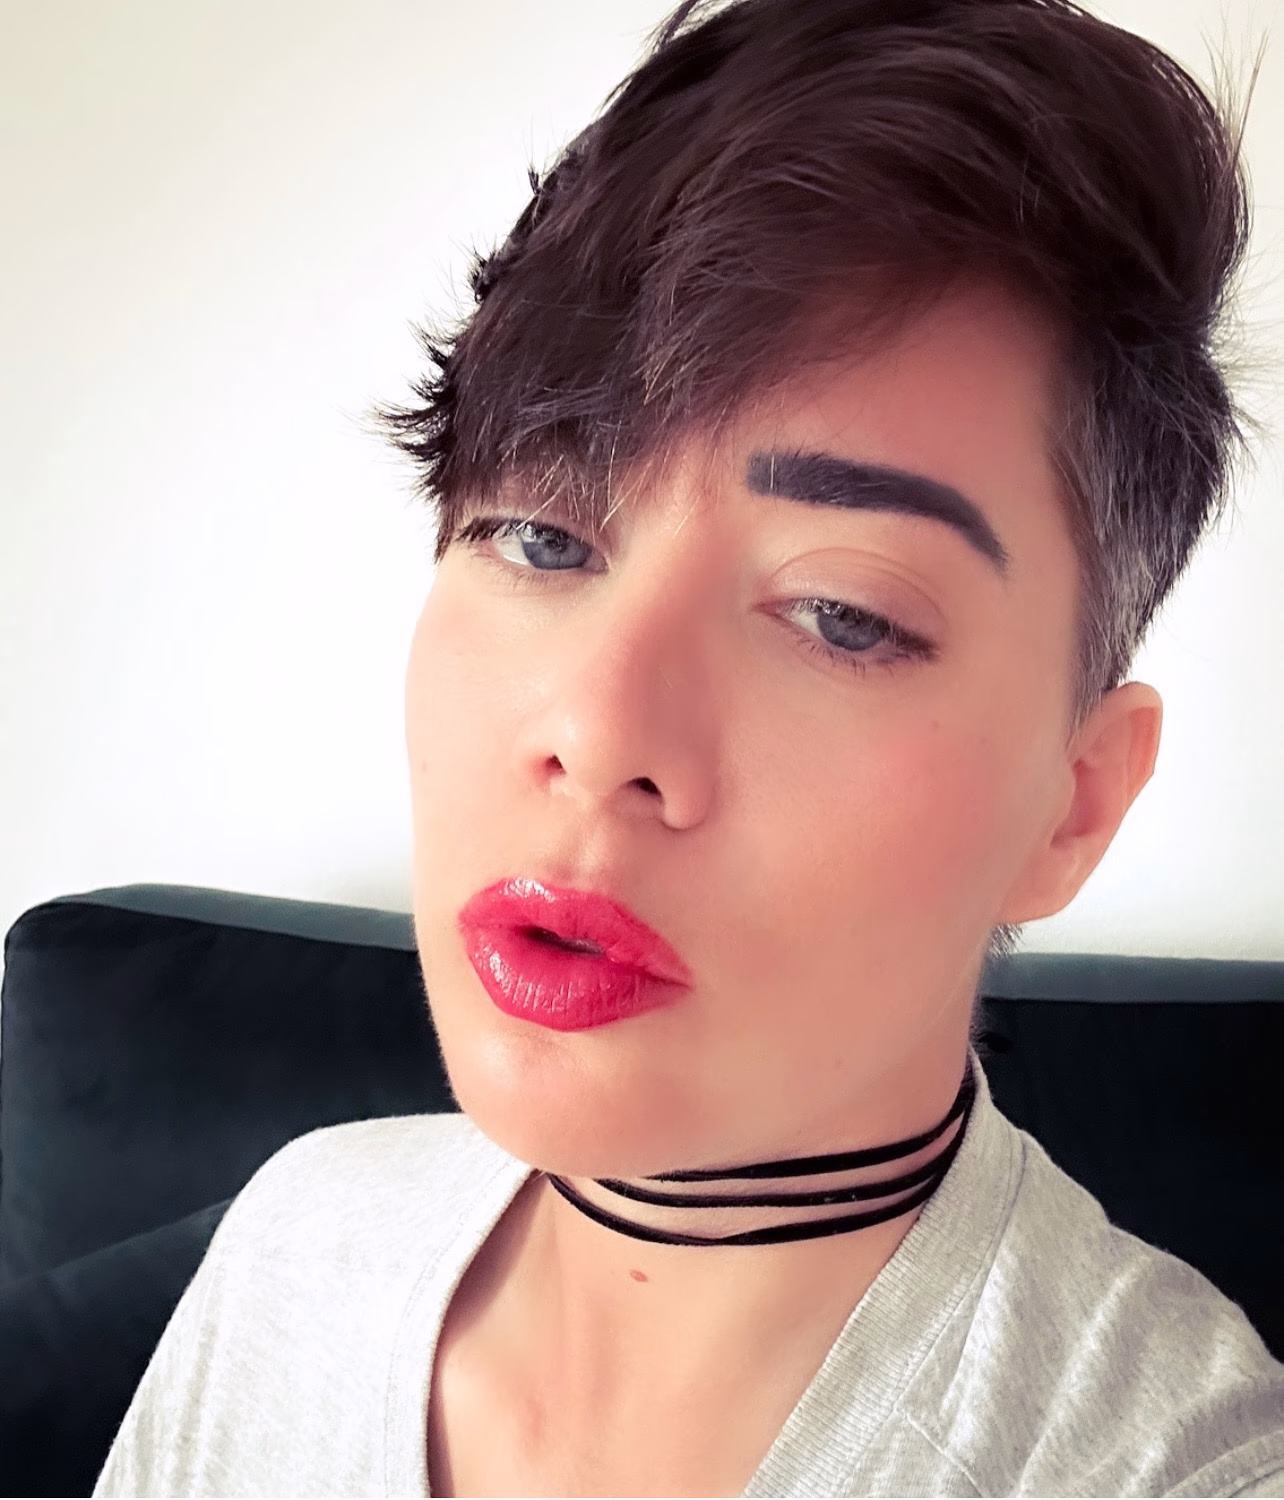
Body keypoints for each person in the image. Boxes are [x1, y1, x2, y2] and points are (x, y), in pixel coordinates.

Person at [95, 0, 1284, 1495]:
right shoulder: (297, 1241)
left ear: (1075, 806)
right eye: (540, 535)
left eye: (843, 614)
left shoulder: (1174, 1465)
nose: (597, 734)